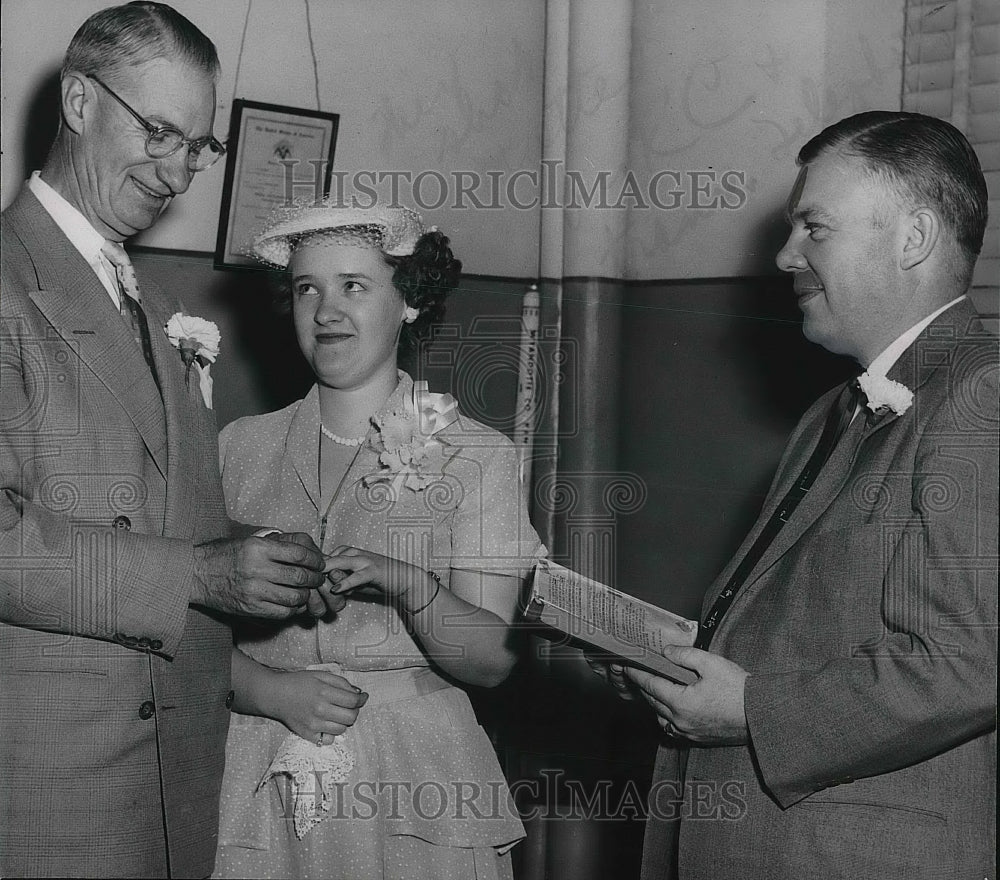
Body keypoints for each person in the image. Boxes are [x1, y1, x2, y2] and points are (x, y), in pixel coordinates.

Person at [596, 111, 997, 879]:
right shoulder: (833, 411)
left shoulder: (982, 395)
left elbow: (973, 658)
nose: (786, 256)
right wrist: (685, 663)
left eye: (815, 227)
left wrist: (748, 709)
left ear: (912, 239)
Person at [0, 4, 333, 877]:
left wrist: (244, 557)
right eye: (159, 132)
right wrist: (198, 573)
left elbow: (148, 506)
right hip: (48, 796)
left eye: (197, 146)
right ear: (78, 102)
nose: (179, 172)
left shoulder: (143, 299)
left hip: (171, 789)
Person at [212, 202, 542, 880]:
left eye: (353, 286)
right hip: (256, 773)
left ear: (410, 302)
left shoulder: (475, 456)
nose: (326, 310)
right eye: (309, 289)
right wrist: (266, 688)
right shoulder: (239, 447)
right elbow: (185, 633)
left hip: (416, 787)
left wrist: (408, 582)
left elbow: (490, 661)